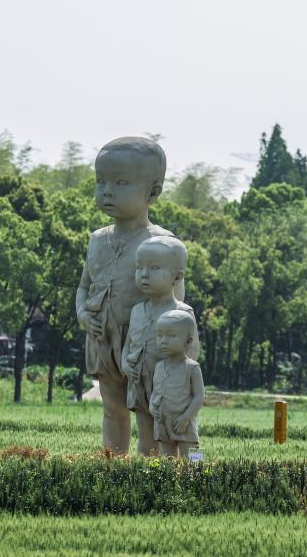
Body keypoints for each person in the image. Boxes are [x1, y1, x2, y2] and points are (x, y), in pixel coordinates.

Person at [75, 137, 184, 453]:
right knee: (112, 408)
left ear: (153, 192)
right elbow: (84, 287)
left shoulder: (162, 244)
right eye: (101, 182)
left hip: (145, 344)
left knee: (148, 410)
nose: (107, 191)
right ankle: (113, 464)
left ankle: (149, 469)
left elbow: (177, 305)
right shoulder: (97, 240)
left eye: (121, 182)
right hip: (103, 338)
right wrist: (83, 315)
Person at [121, 236, 200, 456]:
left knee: (187, 438)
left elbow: (192, 354)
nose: (144, 274)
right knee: (148, 437)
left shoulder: (183, 314)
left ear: (177, 276)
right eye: (139, 268)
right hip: (141, 386)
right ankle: (151, 472)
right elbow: (128, 345)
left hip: (175, 393)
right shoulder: (137, 311)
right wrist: (125, 365)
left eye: (154, 268)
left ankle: (197, 471)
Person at [150, 310, 204, 459]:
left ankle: (200, 472)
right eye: (159, 335)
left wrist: (186, 418)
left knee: (193, 456)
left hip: (184, 422)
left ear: (188, 341)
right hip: (163, 422)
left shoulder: (192, 368)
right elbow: (155, 392)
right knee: (167, 459)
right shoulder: (159, 367)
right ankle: (169, 475)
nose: (163, 341)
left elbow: (199, 396)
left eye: (171, 336)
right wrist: (152, 407)